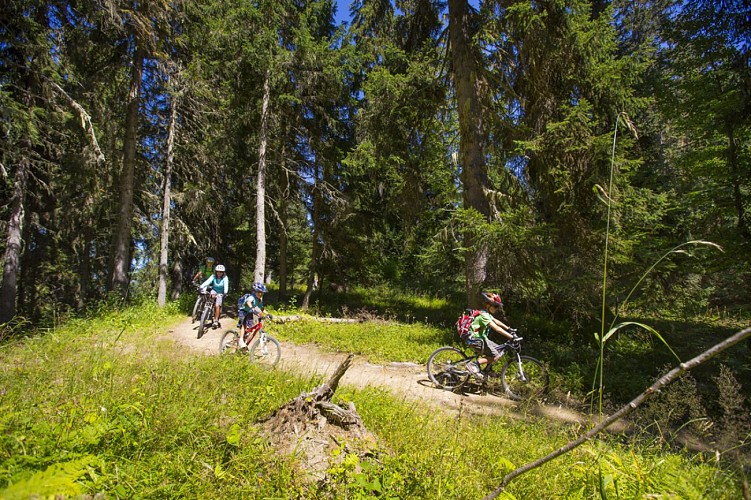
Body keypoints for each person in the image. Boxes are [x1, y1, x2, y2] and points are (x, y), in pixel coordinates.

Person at [464, 292, 518, 380]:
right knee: (495, 355)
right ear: (488, 304)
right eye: (496, 306)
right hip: (475, 339)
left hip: (481, 339)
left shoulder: (486, 313)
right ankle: (473, 364)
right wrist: (511, 337)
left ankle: (487, 370)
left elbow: (496, 321)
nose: (497, 309)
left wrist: (508, 329)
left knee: (498, 350)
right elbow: (496, 328)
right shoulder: (483, 315)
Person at [237, 282, 272, 349]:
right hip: (243, 311)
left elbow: (262, 308)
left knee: (249, 329)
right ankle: (241, 340)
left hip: (249, 312)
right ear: (255, 291)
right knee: (243, 324)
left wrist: (267, 314)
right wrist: (252, 308)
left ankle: (243, 343)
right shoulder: (251, 297)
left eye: (262, 293)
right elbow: (248, 302)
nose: (260, 294)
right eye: (259, 292)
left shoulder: (259, 300)